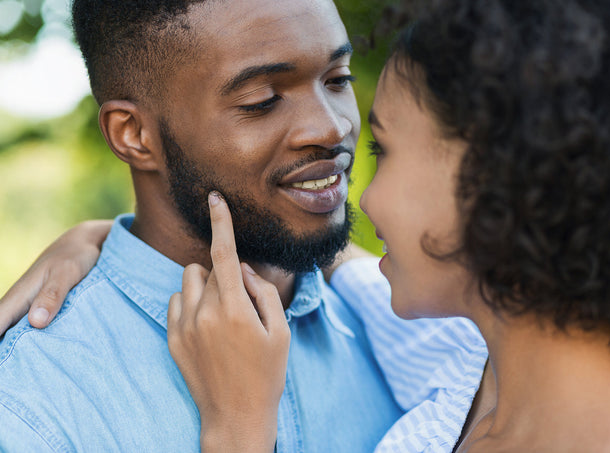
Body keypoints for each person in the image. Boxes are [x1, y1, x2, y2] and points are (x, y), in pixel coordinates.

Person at [121, 0, 610, 451]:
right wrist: (117, 240)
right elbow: (338, 265)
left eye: (382, 150)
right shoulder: (484, 354)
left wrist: (238, 429)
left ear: (491, 176)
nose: (366, 198)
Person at [0, 0, 489, 452]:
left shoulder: (412, 331)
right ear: (134, 135)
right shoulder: (33, 401)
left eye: (337, 79)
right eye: (261, 100)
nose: (331, 127)